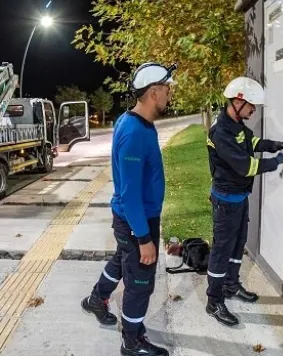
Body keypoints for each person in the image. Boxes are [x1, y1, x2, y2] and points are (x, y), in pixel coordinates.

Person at [81, 62, 176, 356]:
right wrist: (144, 238)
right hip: (137, 220)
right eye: (167, 89)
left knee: (123, 261)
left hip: (132, 219)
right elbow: (130, 194)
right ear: (153, 92)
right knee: (139, 284)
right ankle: (131, 341)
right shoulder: (135, 132)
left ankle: (97, 299)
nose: (170, 94)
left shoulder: (133, 121)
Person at [205, 76, 283, 327]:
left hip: (239, 198)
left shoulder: (237, 128)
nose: (254, 110)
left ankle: (231, 286)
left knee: (237, 245)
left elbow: (253, 143)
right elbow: (247, 166)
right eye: (251, 105)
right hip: (225, 202)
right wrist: (278, 160)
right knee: (222, 250)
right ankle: (214, 301)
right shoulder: (221, 132)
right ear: (237, 102)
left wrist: (275, 144)